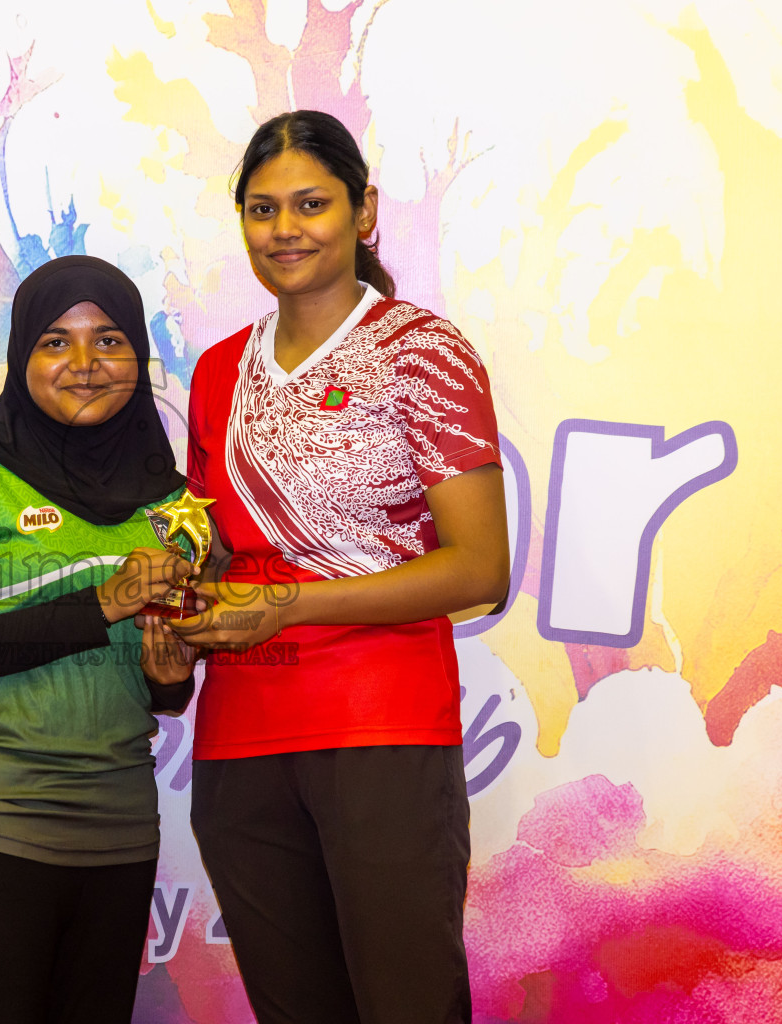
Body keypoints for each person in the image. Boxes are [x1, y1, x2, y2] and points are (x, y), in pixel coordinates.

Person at [172, 110, 510, 1024]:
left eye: (311, 204)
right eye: (262, 209)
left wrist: (288, 605)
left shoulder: (422, 353)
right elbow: (209, 552)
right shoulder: (214, 375)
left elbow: (481, 569)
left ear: (364, 210)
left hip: (381, 731)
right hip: (240, 744)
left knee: (407, 1005)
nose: (285, 229)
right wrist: (172, 614)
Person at [0, 254, 197, 1024]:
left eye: (110, 342)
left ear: (139, 357)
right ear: (22, 354)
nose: (86, 365)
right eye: (56, 343)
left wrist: (170, 676)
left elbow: (158, 682)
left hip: (119, 831)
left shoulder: (170, 499)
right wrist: (101, 601)